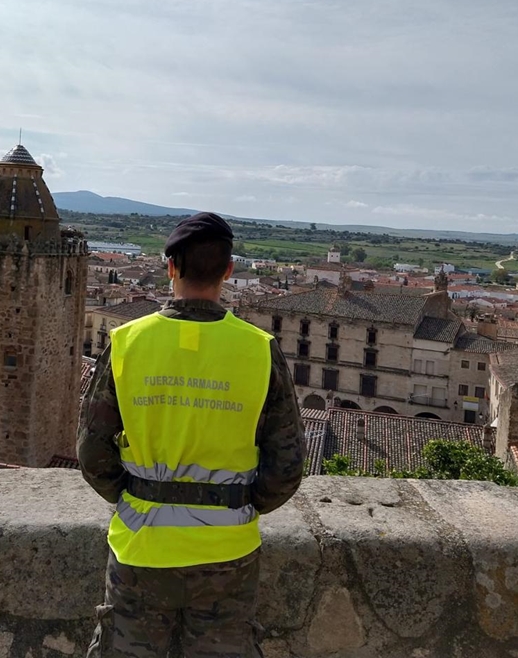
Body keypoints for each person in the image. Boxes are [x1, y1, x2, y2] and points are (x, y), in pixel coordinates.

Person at [77, 211, 305, 657]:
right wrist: (240, 504)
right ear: (228, 272)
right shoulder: (260, 351)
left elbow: (92, 453)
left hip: (141, 548)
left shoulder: (126, 342)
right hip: (229, 554)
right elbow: (286, 467)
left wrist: (135, 495)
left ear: (171, 268)